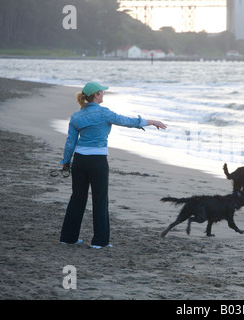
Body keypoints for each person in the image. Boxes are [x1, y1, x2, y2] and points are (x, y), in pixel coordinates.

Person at [59, 82, 167, 249]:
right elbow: (127, 121)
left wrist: (66, 162)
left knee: (77, 198)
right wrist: (152, 121)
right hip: (97, 161)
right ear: (96, 95)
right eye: (102, 93)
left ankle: (68, 237)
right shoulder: (104, 113)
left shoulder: (76, 116)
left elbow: (70, 142)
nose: (103, 95)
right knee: (100, 200)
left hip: (80, 160)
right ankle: (99, 242)